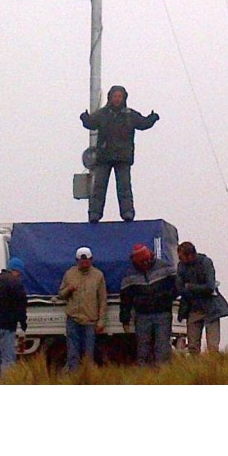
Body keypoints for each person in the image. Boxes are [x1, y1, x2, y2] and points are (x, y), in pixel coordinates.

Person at [80, 85, 160, 223]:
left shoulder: (129, 114)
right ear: (110, 98)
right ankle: (95, 213)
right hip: (105, 156)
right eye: (115, 96)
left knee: (124, 187)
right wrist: (85, 118)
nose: (117, 99)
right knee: (99, 187)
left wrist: (151, 119)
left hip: (122, 157)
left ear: (124, 98)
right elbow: (91, 123)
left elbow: (143, 123)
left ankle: (127, 212)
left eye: (119, 97)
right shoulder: (103, 113)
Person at [120, 244, 177, 366]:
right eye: (142, 262)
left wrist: (167, 297)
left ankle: (163, 375)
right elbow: (126, 299)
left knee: (162, 346)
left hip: (163, 313)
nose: (146, 264)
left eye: (148, 260)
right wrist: (124, 318)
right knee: (143, 347)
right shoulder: (129, 275)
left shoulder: (164, 266)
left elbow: (177, 286)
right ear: (136, 262)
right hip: (142, 316)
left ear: (151, 256)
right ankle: (144, 375)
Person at [175, 242, 228, 354]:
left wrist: (191, 287)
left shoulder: (205, 262)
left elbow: (210, 286)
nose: (180, 260)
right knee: (192, 347)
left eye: (181, 257)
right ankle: (195, 369)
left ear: (190, 255)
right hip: (193, 308)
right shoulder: (181, 266)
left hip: (210, 308)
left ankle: (213, 368)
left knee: (212, 346)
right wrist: (197, 289)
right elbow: (180, 288)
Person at [58, 246, 107, 371]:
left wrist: (101, 320)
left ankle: (87, 376)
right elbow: (61, 295)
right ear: (77, 260)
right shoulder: (69, 274)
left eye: (87, 260)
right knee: (72, 353)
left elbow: (102, 299)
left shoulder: (98, 275)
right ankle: (74, 376)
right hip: (73, 319)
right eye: (82, 261)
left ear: (91, 259)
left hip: (90, 321)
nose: (85, 263)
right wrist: (69, 289)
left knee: (88, 353)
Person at [0, 257, 28, 377]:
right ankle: (8, 383)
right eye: (20, 273)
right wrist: (23, 323)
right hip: (5, 327)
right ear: (17, 270)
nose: (20, 276)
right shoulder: (15, 283)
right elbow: (21, 305)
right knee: (8, 359)